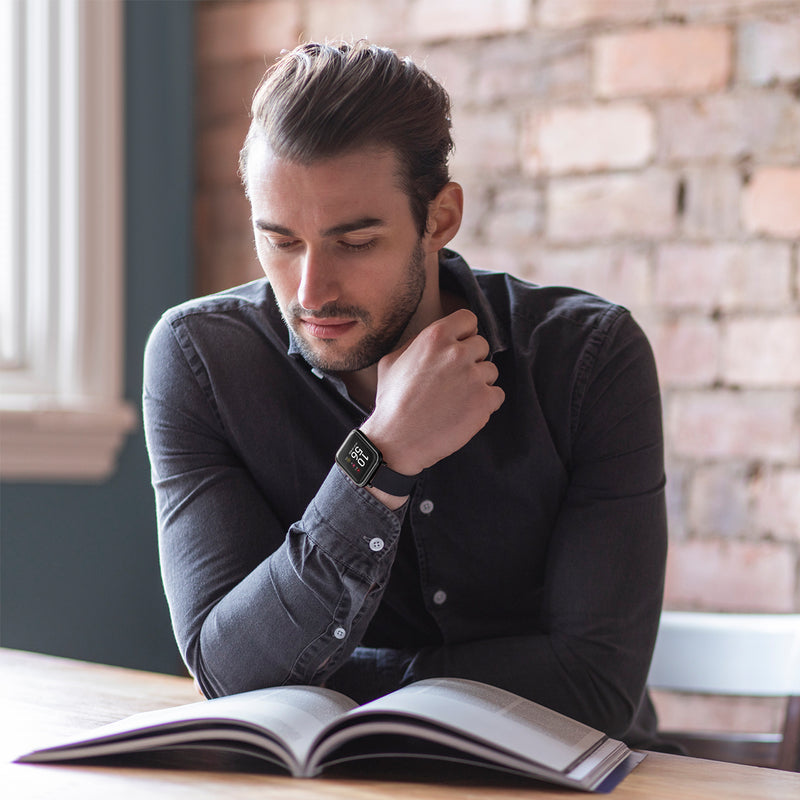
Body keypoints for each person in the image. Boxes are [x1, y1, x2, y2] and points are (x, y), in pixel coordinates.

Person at [143, 40, 667, 747]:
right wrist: (380, 458)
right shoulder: (202, 360)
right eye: (281, 242)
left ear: (440, 218)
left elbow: (594, 689)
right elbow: (226, 670)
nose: (310, 291)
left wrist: (329, 680)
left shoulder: (587, 360)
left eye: (355, 242)